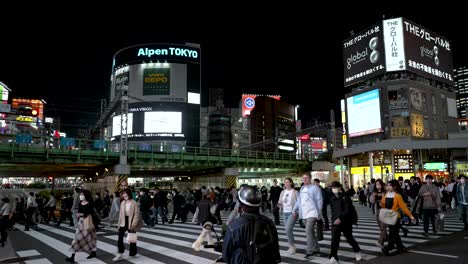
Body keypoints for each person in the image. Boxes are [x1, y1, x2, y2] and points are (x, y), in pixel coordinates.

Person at [222, 185, 281, 264]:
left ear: (241, 204)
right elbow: (275, 250)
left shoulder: (233, 226)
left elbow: (226, 255)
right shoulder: (269, 222)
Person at [328, 181, 362, 264]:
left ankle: (357, 251)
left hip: (345, 221)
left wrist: (340, 218)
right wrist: (333, 220)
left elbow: (347, 210)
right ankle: (333, 257)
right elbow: (333, 210)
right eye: (332, 188)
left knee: (349, 238)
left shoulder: (345, 197)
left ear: (340, 188)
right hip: (335, 222)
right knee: (334, 240)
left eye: (335, 187)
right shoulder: (332, 198)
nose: (334, 189)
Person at [292, 173, 323, 258]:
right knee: (311, 232)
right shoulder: (302, 188)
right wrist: (294, 209)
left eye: (306, 178)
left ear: (310, 179)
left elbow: (319, 200)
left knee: (308, 231)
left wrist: (319, 213)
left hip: (313, 212)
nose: (304, 180)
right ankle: (316, 249)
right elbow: (299, 201)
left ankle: (309, 250)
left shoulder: (315, 188)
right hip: (304, 213)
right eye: (303, 178)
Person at [381, 180, 415, 256]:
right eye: (387, 185)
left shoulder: (397, 196)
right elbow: (383, 205)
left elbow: (404, 207)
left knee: (393, 233)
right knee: (395, 233)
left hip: (396, 217)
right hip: (389, 217)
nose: (388, 187)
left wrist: (411, 216)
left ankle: (388, 247)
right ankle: (400, 247)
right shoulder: (385, 195)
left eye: (390, 185)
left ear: (394, 187)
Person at [66, 190, 97, 263]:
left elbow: (90, 213)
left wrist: (81, 214)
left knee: (90, 239)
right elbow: (80, 212)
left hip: (88, 222)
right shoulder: (80, 203)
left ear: (86, 195)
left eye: (82, 194)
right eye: (80, 194)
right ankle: (72, 257)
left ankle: (93, 252)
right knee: (76, 239)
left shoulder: (90, 203)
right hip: (81, 222)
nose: (81, 196)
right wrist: (79, 215)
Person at [112, 189, 142, 262]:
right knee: (120, 237)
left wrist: (134, 224)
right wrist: (119, 224)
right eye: (123, 194)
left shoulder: (134, 202)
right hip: (123, 221)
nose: (124, 195)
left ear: (129, 194)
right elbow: (121, 215)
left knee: (132, 238)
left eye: (125, 193)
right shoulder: (122, 202)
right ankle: (120, 253)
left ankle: (133, 253)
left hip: (131, 221)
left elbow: (137, 214)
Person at [277, 178, 299, 254]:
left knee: (288, 228)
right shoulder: (283, 192)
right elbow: (280, 201)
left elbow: (298, 202)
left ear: (291, 183)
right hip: (284, 213)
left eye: (287, 182)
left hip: (292, 213)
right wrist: (279, 205)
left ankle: (292, 247)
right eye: (285, 182)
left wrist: (296, 211)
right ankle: (291, 246)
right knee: (287, 230)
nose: (286, 184)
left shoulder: (295, 192)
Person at [370, 179, 387, 247]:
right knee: (380, 226)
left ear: (382, 185)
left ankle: (381, 242)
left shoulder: (385, 192)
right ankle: (386, 237)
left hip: (385, 210)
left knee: (383, 226)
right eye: (377, 184)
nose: (378, 186)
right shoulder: (374, 192)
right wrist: (373, 196)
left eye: (379, 184)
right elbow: (372, 201)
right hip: (377, 210)